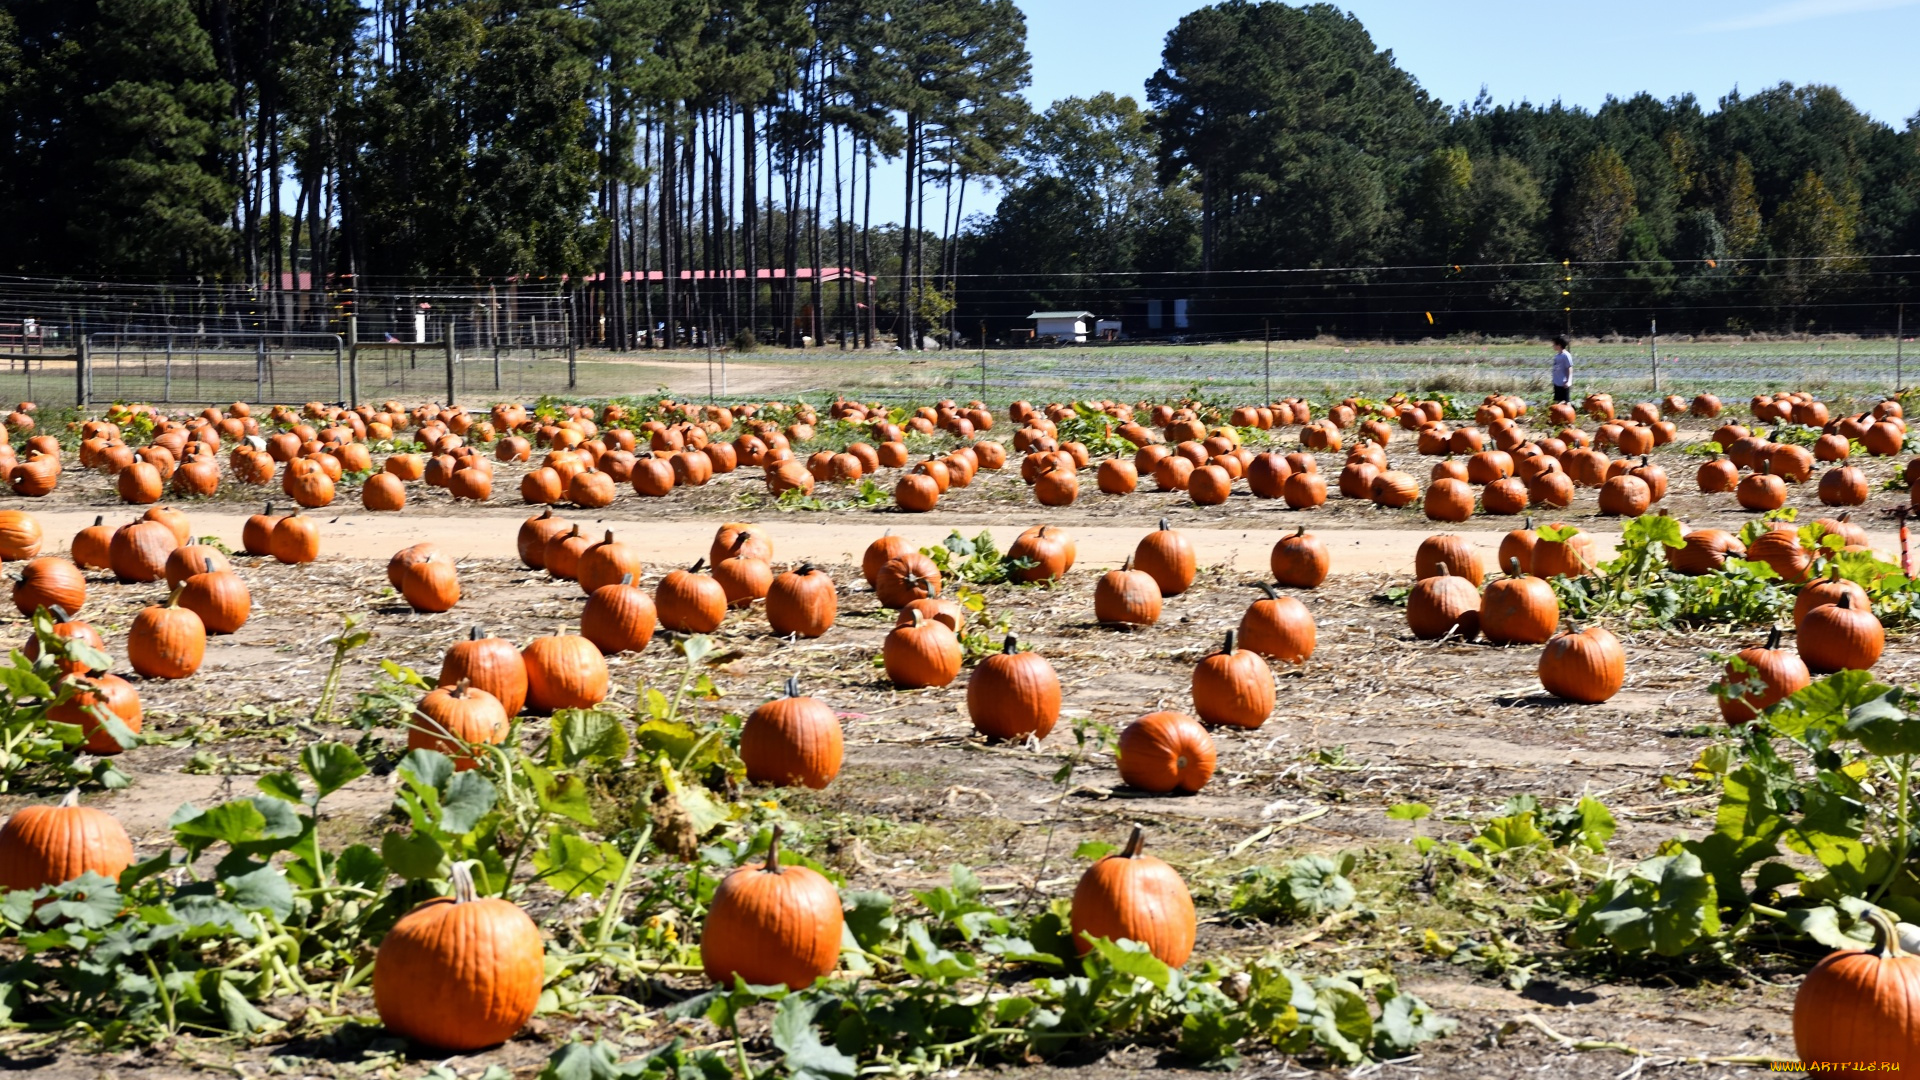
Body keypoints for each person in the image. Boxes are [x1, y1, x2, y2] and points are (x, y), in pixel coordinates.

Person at [1550, 335, 1573, 404]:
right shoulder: (1557, 355)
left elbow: (1569, 368)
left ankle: (1568, 413)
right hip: (1557, 382)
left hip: (1564, 383)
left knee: (1566, 402)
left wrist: (1568, 381)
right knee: (1557, 400)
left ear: (1559, 345)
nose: (1553, 346)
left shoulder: (1566, 355)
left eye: (1554, 344)